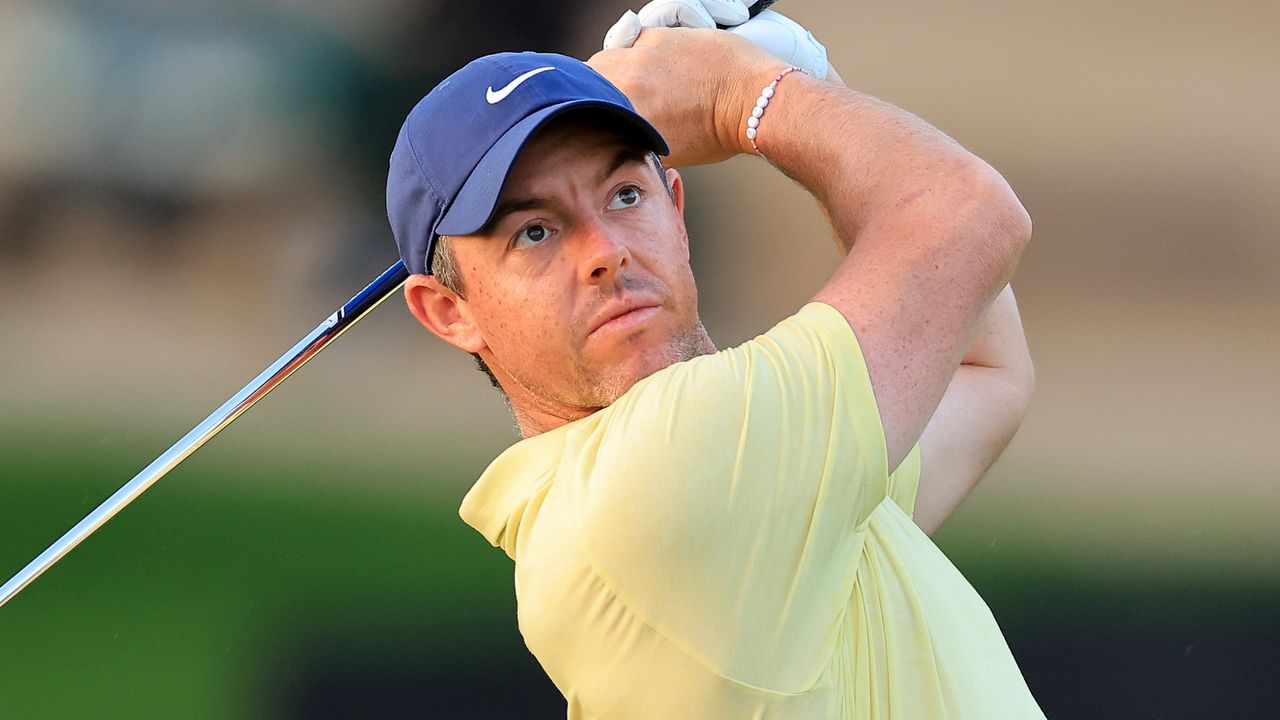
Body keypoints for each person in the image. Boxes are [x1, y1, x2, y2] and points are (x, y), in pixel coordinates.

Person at [386, 2, 1041, 717]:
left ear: (676, 208)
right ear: (450, 311)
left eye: (625, 194)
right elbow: (972, 215)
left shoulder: (753, 474)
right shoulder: (664, 474)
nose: (606, 251)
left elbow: (982, 368)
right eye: (536, 232)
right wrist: (753, 93)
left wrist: (804, 83)